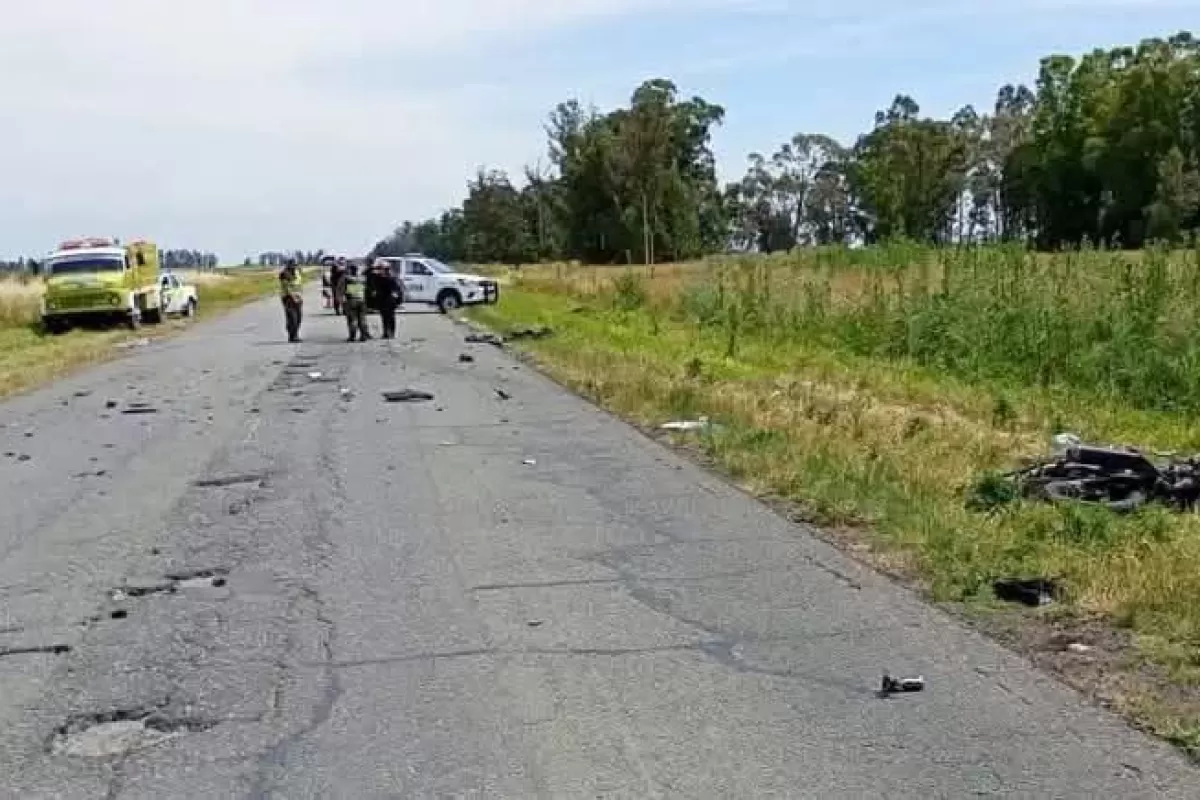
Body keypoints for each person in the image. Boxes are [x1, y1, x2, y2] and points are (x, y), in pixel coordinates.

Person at [370, 258, 404, 339]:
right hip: (382, 300)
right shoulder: (378, 277)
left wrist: (396, 299)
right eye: (379, 268)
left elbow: (397, 289)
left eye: (381, 268)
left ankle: (391, 333)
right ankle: (386, 333)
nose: (379, 270)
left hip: (390, 300)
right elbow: (374, 286)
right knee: (384, 317)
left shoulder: (391, 277)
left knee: (391, 316)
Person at [338, 262, 370, 342]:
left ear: (350, 270)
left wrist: (341, 300)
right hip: (361, 300)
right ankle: (363, 336)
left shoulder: (346, 278)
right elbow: (366, 289)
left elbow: (340, 290)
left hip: (351, 301)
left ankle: (352, 336)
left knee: (352, 319)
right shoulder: (363, 278)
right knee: (362, 319)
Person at [278, 257, 304, 343]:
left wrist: (300, 296)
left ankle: (294, 333)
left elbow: (299, 284)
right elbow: (286, 287)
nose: (295, 266)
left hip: (298, 297)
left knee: (299, 317)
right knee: (292, 318)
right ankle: (292, 336)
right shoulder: (284, 274)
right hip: (288, 298)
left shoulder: (297, 272)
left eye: (295, 265)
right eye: (293, 265)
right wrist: (293, 297)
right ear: (289, 265)